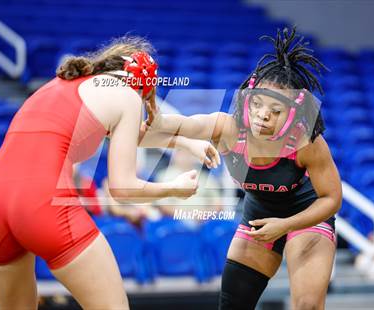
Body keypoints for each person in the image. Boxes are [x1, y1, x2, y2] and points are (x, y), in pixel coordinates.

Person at [0, 36, 220, 310]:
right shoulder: (127, 95)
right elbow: (122, 187)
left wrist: (185, 142)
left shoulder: (60, 85)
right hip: (42, 203)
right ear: (144, 87)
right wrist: (174, 188)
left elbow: (133, 134)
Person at [145, 27, 342, 310]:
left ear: (292, 115)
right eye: (258, 104)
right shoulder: (227, 128)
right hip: (260, 215)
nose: (263, 115)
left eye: (275, 111)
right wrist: (154, 117)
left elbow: (332, 199)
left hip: (306, 215)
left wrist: (285, 225)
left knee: (308, 305)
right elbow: (175, 126)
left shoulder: (306, 141)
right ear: (246, 100)